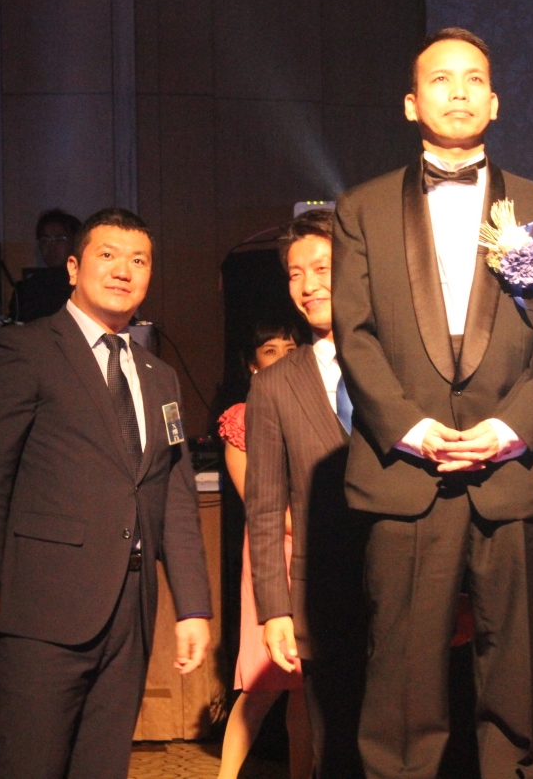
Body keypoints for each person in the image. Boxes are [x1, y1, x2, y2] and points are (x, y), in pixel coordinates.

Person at [333, 28, 533, 779]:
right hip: (404, 474)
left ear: (495, 101)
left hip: (511, 473)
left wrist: (508, 429)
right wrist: (411, 428)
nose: (458, 91)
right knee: (401, 682)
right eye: (441, 79)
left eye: (474, 78)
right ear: (412, 103)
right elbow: (354, 335)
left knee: (518, 680)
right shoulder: (361, 209)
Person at [0, 208, 212, 779]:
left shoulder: (160, 375)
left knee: (103, 766)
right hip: (43, 605)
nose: (123, 270)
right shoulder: (24, 349)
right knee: (30, 765)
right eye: (107, 255)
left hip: (130, 609)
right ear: (73, 268)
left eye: (138, 260)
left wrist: (192, 606)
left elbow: (174, 497)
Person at [248, 209, 369, 778]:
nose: (308, 285)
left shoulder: (402, 367)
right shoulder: (275, 385)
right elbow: (264, 506)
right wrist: (275, 609)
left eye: (322, 268)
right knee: (336, 751)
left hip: (409, 590)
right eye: (295, 274)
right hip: (322, 599)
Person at [215, 318, 310, 779]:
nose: (283, 358)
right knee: (262, 683)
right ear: (252, 365)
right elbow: (259, 503)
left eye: (291, 349)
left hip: (315, 556)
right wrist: (316, 530)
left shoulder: (316, 409)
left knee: (306, 687)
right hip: (275, 553)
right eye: (271, 350)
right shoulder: (243, 417)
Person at [11, 209, 82, 322]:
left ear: (75, 242)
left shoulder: (84, 283)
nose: (51, 246)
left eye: (59, 239)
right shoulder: (27, 288)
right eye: (45, 240)